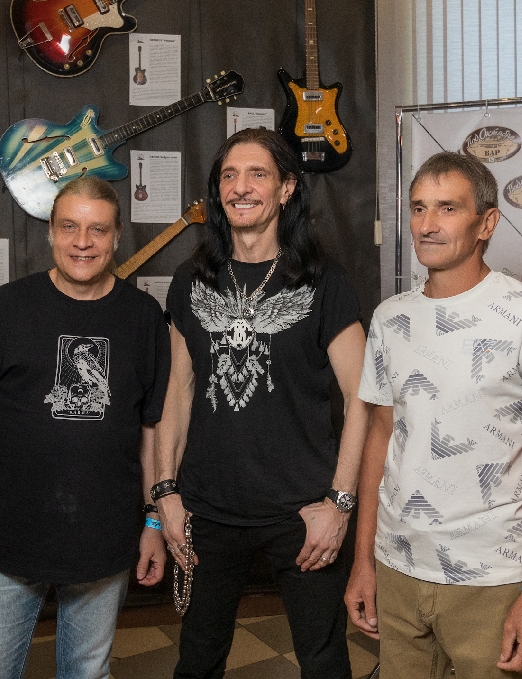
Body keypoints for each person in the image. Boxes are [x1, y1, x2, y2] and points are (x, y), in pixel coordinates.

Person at [345, 151, 522, 678]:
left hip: (491, 580)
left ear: (487, 223)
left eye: (447, 208)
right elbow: (380, 440)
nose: (427, 224)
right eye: (418, 208)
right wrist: (363, 560)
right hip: (397, 570)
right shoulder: (390, 318)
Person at [0, 177, 171, 679]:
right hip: (4, 542)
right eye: (69, 227)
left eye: (97, 229)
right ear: (50, 232)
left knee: (87, 672)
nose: (82, 242)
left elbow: (151, 429)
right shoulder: (5, 308)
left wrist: (153, 522)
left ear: (117, 236)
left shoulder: (144, 318)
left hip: (103, 541)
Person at [153, 128, 369, 679]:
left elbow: (361, 398)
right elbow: (176, 393)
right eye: (229, 175)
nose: (240, 187)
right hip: (207, 509)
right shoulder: (192, 279)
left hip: (303, 511)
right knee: (197, 661)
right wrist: (165, 495)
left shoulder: (322, 280)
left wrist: (340, 505)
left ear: (286, 187)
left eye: (257, 174)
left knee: (324, 664)